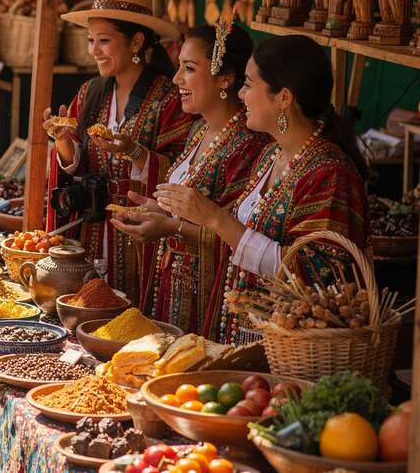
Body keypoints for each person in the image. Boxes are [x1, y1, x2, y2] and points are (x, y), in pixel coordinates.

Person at [153, 35, 369, 344]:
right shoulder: (271, 155)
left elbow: (318, 277)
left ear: (283, 97)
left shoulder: (328, 173)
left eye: (248, 85)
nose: (240, 95)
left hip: (291, 347)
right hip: (241, 331)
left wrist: (216, 218)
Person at [110, 21, 269, 340]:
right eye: (179, 66)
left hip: (207, 300)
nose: (176, 79)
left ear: (225, 78)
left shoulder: (246, 146)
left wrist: (172, 227)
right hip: (171, 289)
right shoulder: (198, 130)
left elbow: (236, 234)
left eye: (189, 68)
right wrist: (159, 211)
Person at [44, 0, 193, 307]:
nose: (94, 51)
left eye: (104, 41)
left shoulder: (167, 99)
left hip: (139, 240)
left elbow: (182, 167)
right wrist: (62, 141)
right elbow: (76, 164)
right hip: (93, 233)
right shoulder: (90, 93)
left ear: (136, 42)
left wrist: (136, 152)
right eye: (91, 41)